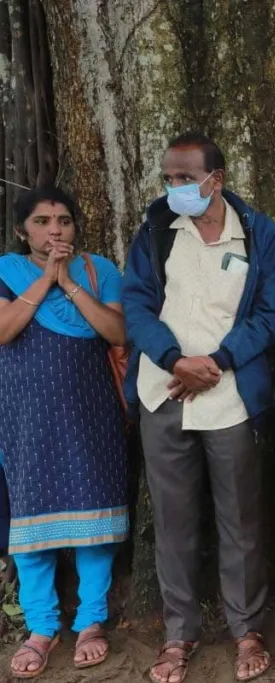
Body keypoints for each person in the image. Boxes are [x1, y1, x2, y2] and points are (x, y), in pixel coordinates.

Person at [122, 133, 275, 683]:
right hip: (163, 393)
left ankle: (247, 630)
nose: (176, 188)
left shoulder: (258, 233)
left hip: (229, 394)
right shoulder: (154, 233)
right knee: (173, 522)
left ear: (215, 179)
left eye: (185, 178)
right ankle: (179, 634)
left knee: (240, 518)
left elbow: (270, 313)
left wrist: (215, 361)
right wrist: (175, 360)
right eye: (168, 178)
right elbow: (136, 305)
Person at [0, 186, 129, 678]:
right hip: (24, 416)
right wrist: (46, 280)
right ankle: (41, 626)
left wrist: (71, 284)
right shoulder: (6, 272)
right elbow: (4, 330)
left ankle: (92, 620)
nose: (54, 229)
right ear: (21, 231)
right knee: (31, 523)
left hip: (88, 409)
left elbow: (116, 333)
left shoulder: (100, 271)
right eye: (41, 221)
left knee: (94, 515)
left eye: (63, 220)